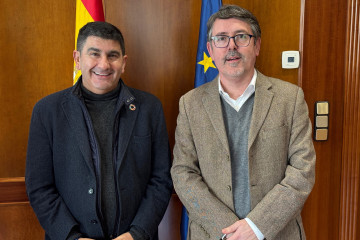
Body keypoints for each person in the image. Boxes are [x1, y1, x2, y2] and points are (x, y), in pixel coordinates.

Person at [171, 5, 315, 240]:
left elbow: (302, 171)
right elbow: (183, 173)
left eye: (241, 37)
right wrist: (227, 228)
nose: (231, 46)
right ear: (210, 49)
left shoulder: (290, 98)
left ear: (257, 45)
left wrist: (257, 226)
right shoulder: (190, 104)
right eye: (221, 38)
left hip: (278, 233)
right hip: (213, 234)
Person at [25, 21, 172, 240]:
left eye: (112, 55)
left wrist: (137, 234)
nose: (103, 64)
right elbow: (39, 187)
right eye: (94, 54)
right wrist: (72, 237)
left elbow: (161, 179)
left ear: (123, 62)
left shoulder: (149, 108)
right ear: (77, 59)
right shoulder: (47, 111)